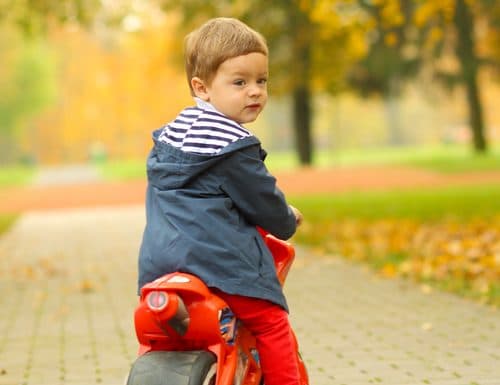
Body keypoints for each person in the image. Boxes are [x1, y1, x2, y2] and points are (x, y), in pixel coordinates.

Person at [137, 17, 304, 385]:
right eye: (240, 82)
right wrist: (287, 220)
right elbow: (264, 201)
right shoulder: (232, 147)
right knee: (272, 323)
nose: (255, 91)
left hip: (162, 268)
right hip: (220, 268)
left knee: (160, 334)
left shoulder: (169, 141)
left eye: (262, 81)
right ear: (202, 87)